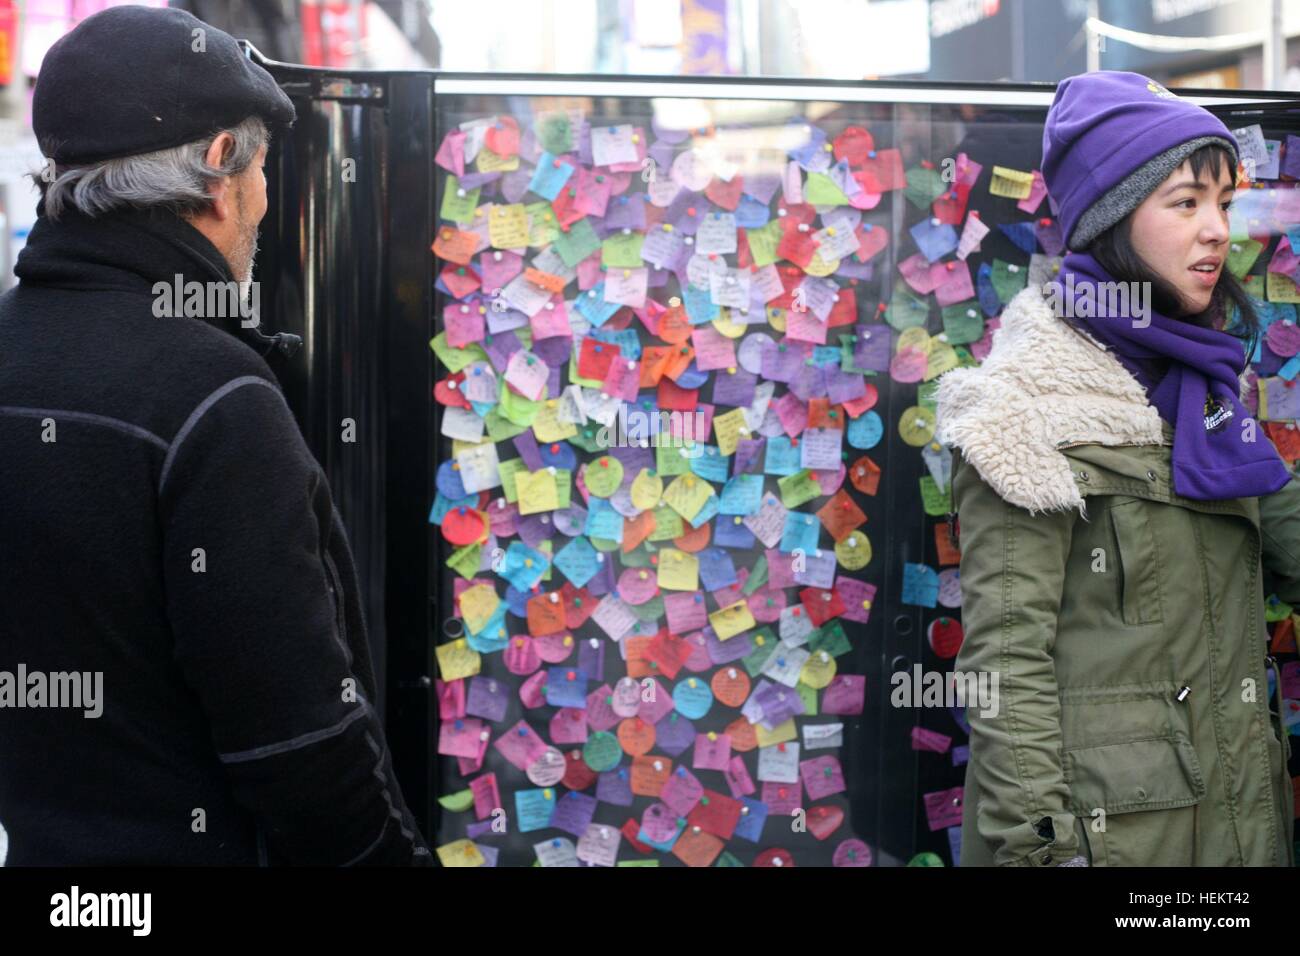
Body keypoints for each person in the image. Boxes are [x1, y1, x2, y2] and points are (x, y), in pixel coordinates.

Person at [0, 6, 431, 865]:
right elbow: (300, 748)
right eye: (265, 167)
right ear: (219, 169)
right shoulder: (212, 394)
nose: (267, 202)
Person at [935, 71, 1299, 866]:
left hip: (1239, 831)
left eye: (1226, 204)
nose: (1218, 232)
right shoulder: (1023, 412)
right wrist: (1047, 854)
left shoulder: (1209, 392)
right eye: (1185, 202)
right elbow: (1004, 670)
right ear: (1112, 221)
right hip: (1117, 847)